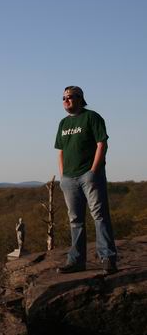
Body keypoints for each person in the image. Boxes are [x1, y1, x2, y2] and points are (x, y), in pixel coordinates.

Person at [55, 86, 117, 275]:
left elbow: (102, 144)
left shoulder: (92, 117)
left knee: (99, 216)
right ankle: (76, 261)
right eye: (63, 97)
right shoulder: (63, 123)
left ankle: (107, 258)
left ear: (80, 98)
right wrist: (62, 175)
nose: (66, 100)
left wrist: (93, 170)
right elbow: (61, 151)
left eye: (70, 97)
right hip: (69, 178)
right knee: (75, 220)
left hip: (89, 175)